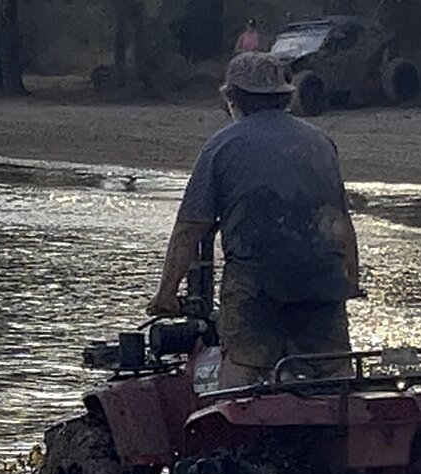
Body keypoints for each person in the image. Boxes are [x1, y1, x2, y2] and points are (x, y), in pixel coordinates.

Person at [146, 52, 362, 388]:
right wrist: (351, 280)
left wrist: (167, 293)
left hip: (257, 283)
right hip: (323, 279)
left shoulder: (221, 147)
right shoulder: (320, 143)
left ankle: (229, 424)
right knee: (332, 366)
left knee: (245, 361)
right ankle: (349, 429)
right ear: (286, 97)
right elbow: (341, 223)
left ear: (232, 99)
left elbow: (190, 228)